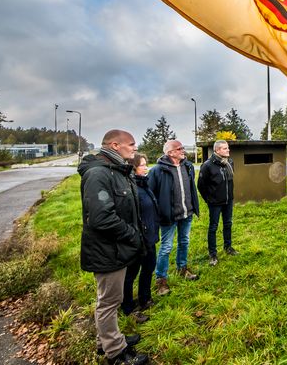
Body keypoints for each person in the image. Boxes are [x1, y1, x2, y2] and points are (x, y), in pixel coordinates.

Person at [78, 130, 149, 365]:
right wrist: (133, 235)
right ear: (115, 145)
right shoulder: (99, 173)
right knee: (108, 302)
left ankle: (108, 340)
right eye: (131, 144)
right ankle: (116, 353)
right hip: (107, 250)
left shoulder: (115, 170)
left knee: (110, 300)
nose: (134, 149)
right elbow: (100, 218)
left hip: (116, 248)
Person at [148, 140, 200, 296]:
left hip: (186, 213)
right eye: (179, 148)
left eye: (183, 147)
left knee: (184, 241)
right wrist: (159, 213)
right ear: (169, 152)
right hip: (168, 217)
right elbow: (151, 195)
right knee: (166, 247)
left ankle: (182, 269)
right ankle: (161, 280)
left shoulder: (188, 166)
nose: (183, 150)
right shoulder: (157, 170)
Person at [120, 153, 159, 323]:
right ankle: (128, 307)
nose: (146, 167)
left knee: (149, 267)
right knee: (131, 274)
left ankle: (145, 298)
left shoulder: (144, 184)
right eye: (143, 165)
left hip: (149, 237)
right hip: (136, 240)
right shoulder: (130, 188)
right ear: (134, 168)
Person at [197, 139, 237, 266]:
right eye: (225, 148)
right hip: (215, 202)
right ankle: (213, 254)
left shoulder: (229, 162)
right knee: (213, 227)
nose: (228, 150)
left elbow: (230, 181)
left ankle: (228, 247)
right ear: (217, 150)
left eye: (228, 148)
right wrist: (209, 199)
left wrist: (230, 196)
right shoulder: (207, 165)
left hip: (228, 200)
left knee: (228, 224)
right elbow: (201, 185)